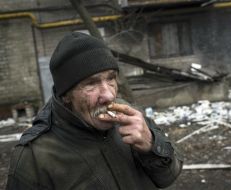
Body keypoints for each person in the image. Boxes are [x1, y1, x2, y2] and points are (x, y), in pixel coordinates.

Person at [7, 32, 183, 190]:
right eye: (91, 83)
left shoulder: (130, 116)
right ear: (66, 94)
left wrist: (151, 145)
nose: (108, 95)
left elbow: (168, 177)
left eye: (111, 78)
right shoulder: (34, 157)